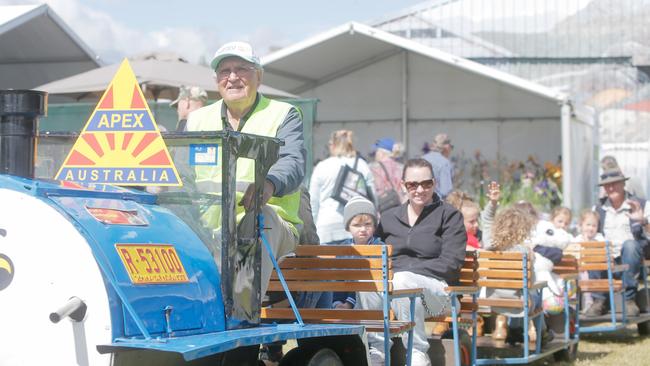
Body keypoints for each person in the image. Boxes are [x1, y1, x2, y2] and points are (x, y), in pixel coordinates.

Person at [186, 41, 306, 298]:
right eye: (224, 71)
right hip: (207, 231)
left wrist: (269, 183)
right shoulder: (196, 120)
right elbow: (180, 174)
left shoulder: (284, 114)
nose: (232, 77)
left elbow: (292, 162)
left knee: (259, 220)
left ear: (259, 77)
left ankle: (241, 319)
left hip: (270, 226)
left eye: (241, 69)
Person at [356, 158, 466, 366]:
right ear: (402, 185)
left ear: (434, 183)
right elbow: (375, 256)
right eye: (412, 184)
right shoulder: (389, 218)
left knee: (402, 279)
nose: (420, 189)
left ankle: (416, 354)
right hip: (396, 290)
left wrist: (401, 272)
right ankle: (377, 350)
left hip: (440, 293)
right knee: (369, 282)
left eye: (426, 183)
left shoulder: (449, 216)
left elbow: (451, 265)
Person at [584, 168, 650, 317]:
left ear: (623, 184)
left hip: (632, 256)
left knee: (630, 244)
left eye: (615, 184)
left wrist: (643, 221)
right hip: (607, 256)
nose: (611, 188)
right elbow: (589, 230)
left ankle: (629, 300)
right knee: (594, 246)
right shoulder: (598, 208)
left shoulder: (641, 204)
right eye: (607, 185)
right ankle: (599, 301)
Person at [309, 130, 376, 244]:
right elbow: (373, 199)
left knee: (327, 262)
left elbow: (313, 202)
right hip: (356, 227)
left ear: (333, 145)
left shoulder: (322, 166)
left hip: (326, 227)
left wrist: (313, 227)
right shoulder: (362, 165)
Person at [330, 196, 383, 310]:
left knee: (363, 278)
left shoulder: (379, 247)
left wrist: (349, 304)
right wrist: (337, 302)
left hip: (372, 299)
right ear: (348, 227)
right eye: (357, 225)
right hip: (343, 300)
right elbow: (338, 279)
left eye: (368, 224)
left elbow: (372, 282)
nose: (363, 229)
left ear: (374, 227)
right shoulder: (343, 249)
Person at [369, 138, 407, 213]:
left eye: (376, 151)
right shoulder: (403, 168)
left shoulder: (372, 168)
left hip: (380, 209)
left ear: (382, 153)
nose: (375, 154)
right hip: (399, 209)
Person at [421, 133, 454, 199]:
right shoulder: (445, 163)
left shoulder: (421, 159)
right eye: (451, 147)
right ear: (447, 148)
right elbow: (446, 191)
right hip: (437, 204)